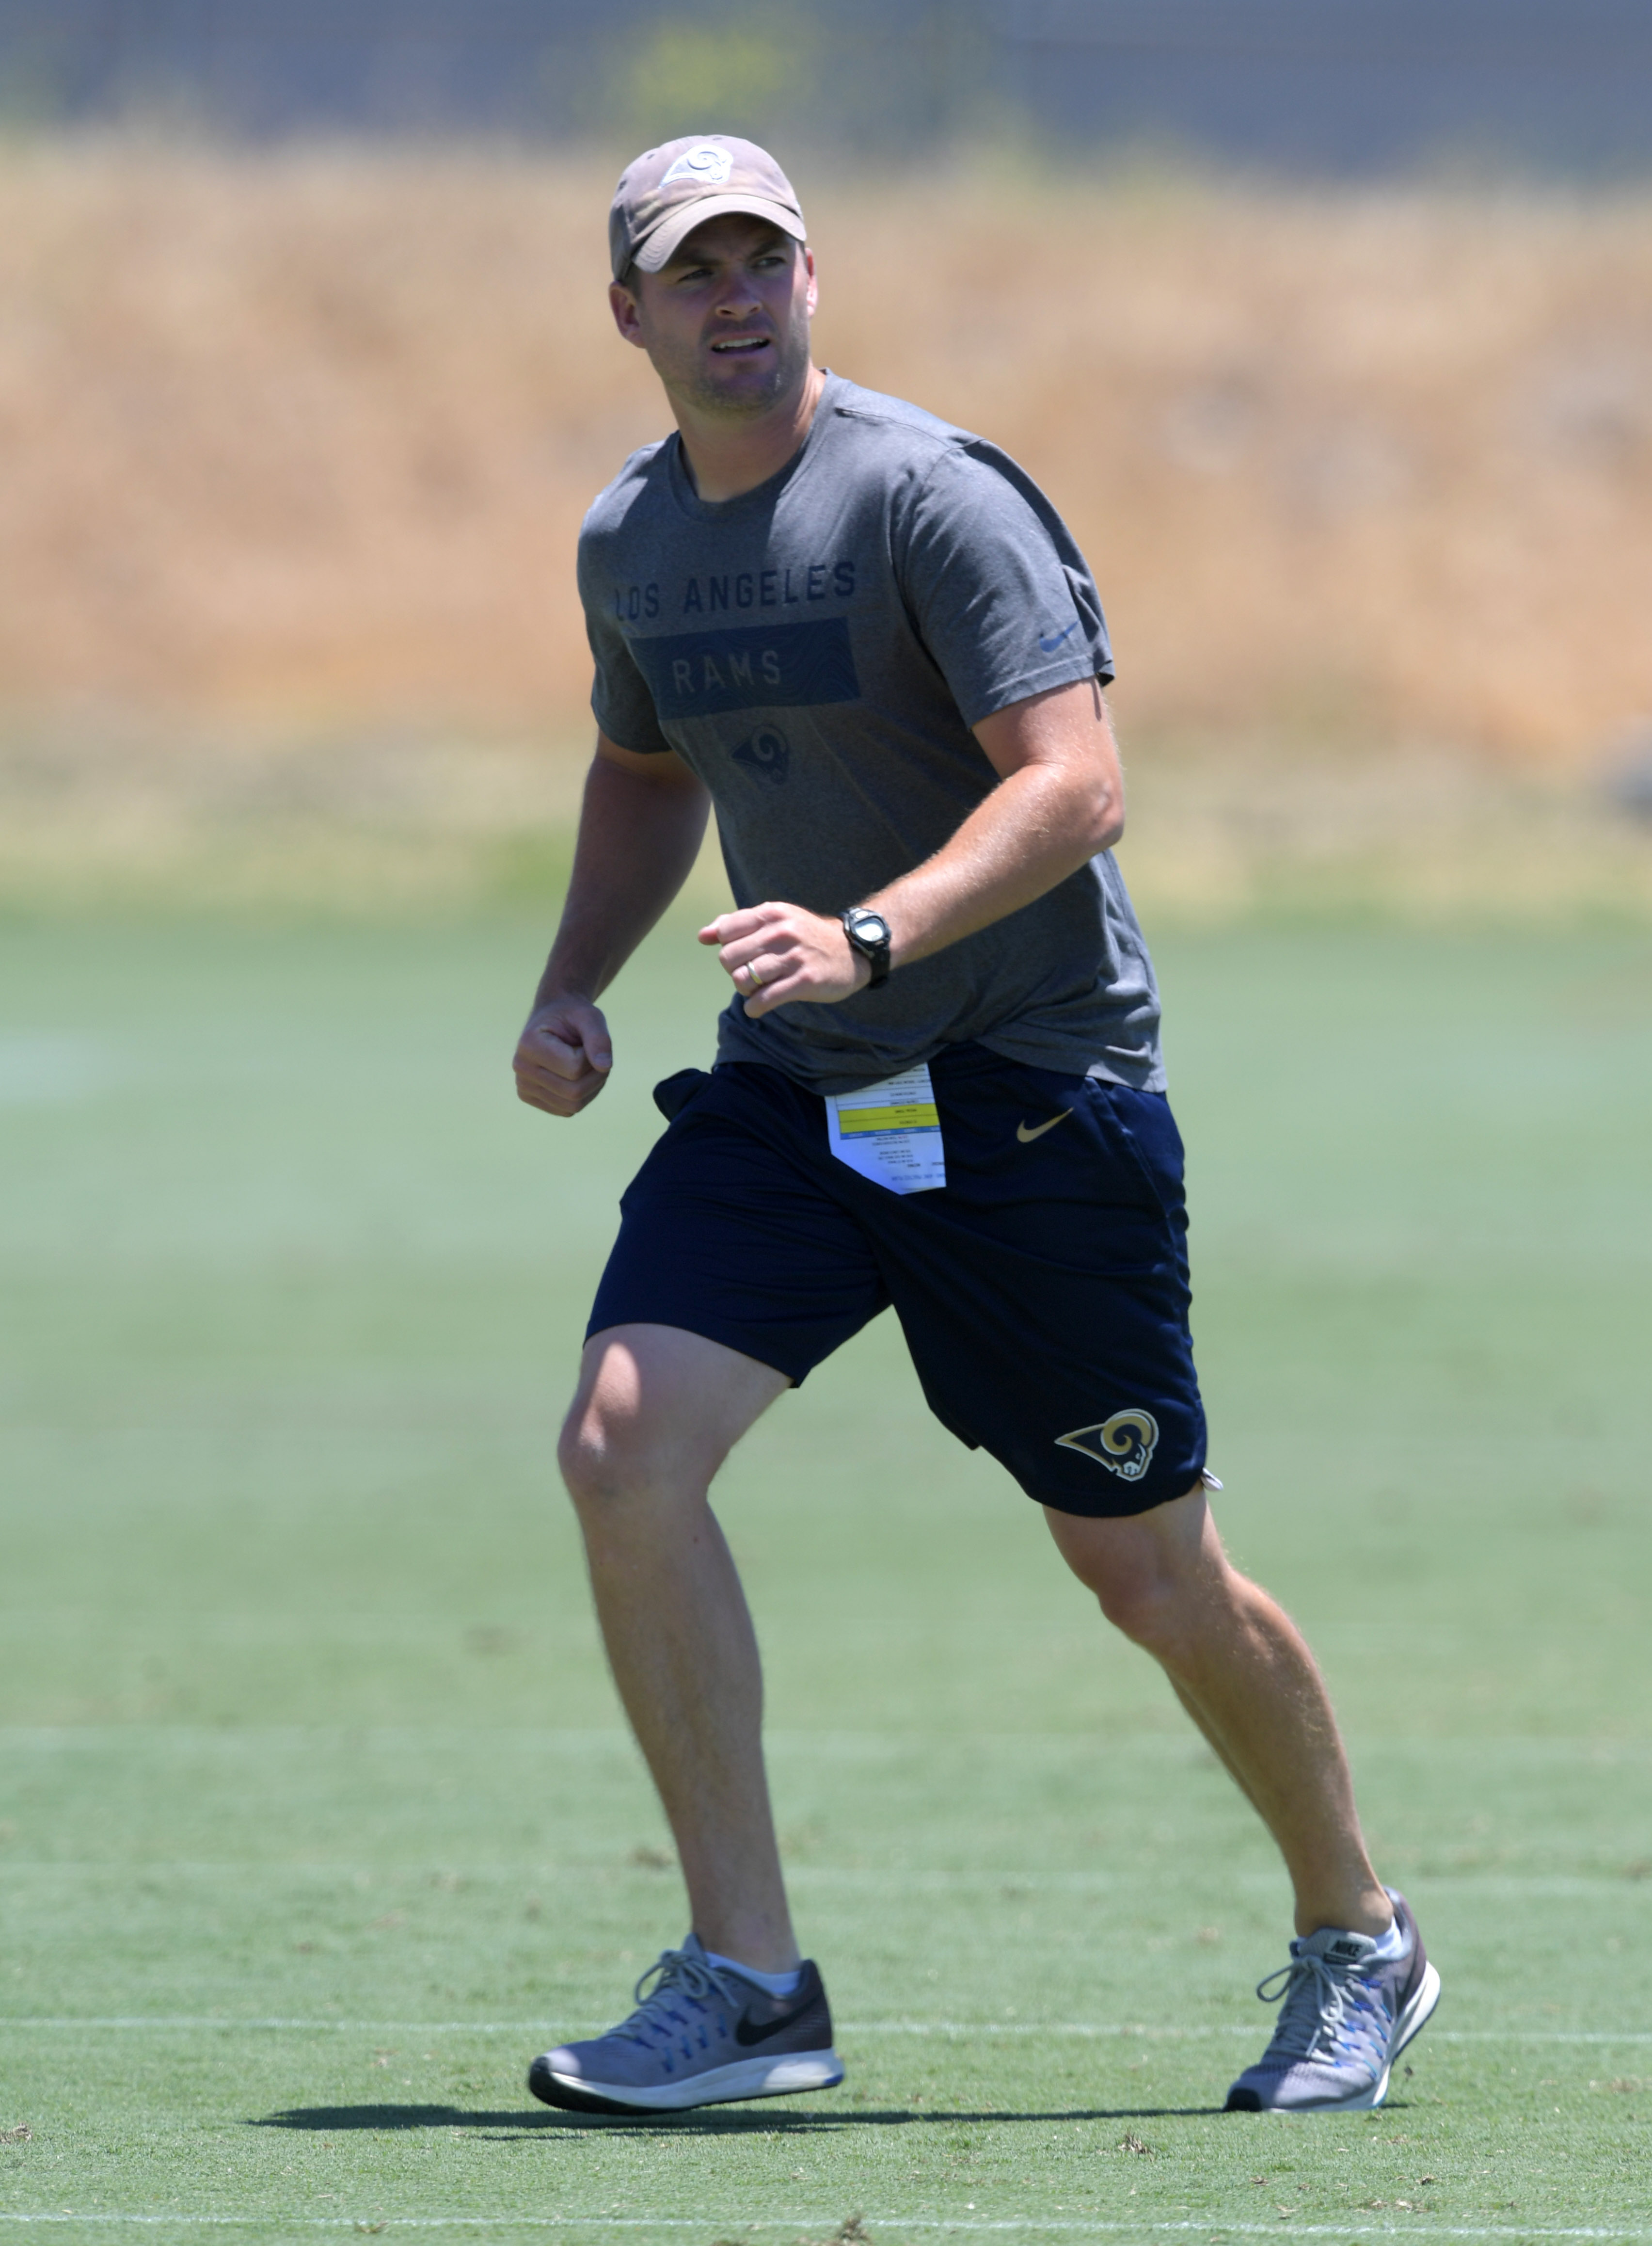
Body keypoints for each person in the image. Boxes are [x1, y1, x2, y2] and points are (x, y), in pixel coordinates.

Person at [511, 133, 1440, 2119]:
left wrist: (873, 928)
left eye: (765, 262)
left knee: (1147, 1573)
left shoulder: (933, 498)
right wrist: (572, 977)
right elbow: (642, 764)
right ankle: (753, 1983)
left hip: (1031, 1095)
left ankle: (1358, 1934)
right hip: (799, 1095)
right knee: (621, 1446)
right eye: (695, 275)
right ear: (632, 314)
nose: (736, 301)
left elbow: (1078, 784)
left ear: (814, 279)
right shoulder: (631, 540)